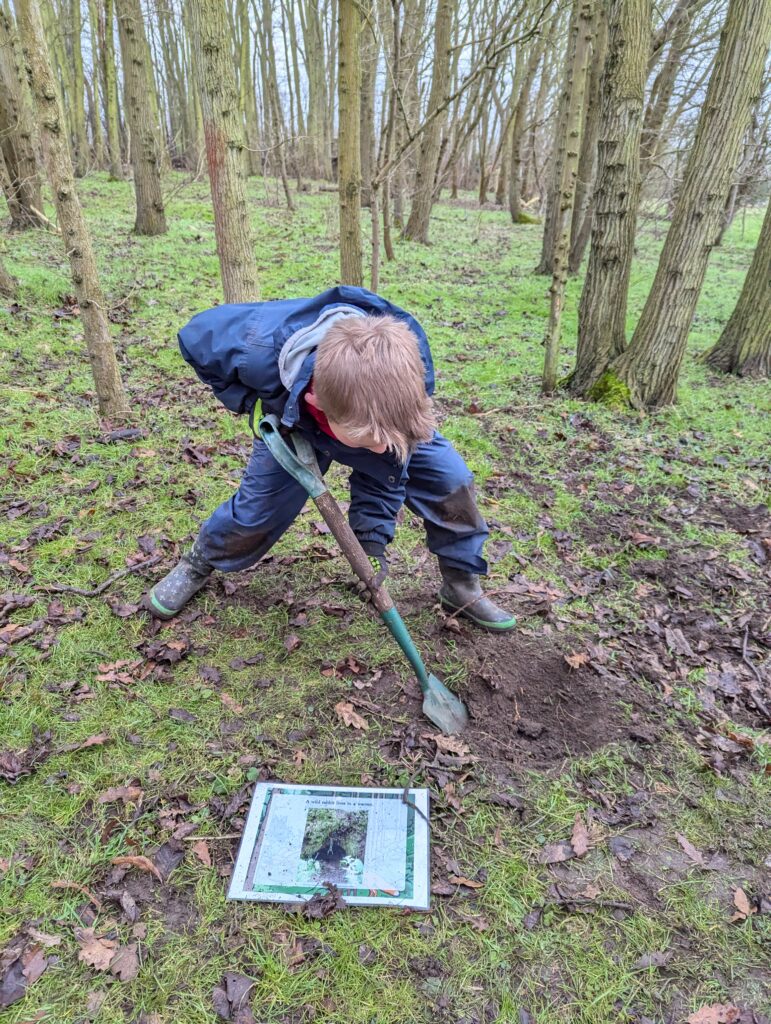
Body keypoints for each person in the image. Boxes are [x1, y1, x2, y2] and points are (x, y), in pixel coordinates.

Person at [144, 286, 516, 631]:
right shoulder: (255, 348)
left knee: (450, 480)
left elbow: (384, 467)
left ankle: (460, 582)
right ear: (316, 402)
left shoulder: (406, 362)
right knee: (258, 512)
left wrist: (370, 544)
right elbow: (194, 340)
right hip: (293, 422)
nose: (377, 450)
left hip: (387, 420)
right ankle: (199, 561)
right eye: (368, 442)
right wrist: (251, 403)